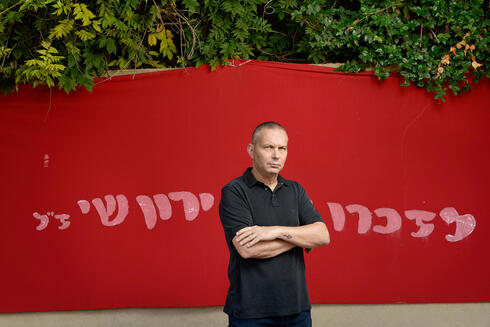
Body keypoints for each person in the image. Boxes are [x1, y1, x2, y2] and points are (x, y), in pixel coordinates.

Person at [219, 121, 330, 327]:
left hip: (297, 310)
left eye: (282, 148)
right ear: (251, 150)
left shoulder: (295, 190)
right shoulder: (234, 191)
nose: (276, 155)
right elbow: (247, 249)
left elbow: (323, 235)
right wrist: (299, 239)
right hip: (251, 313)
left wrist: (274, 231)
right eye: (268, 147)